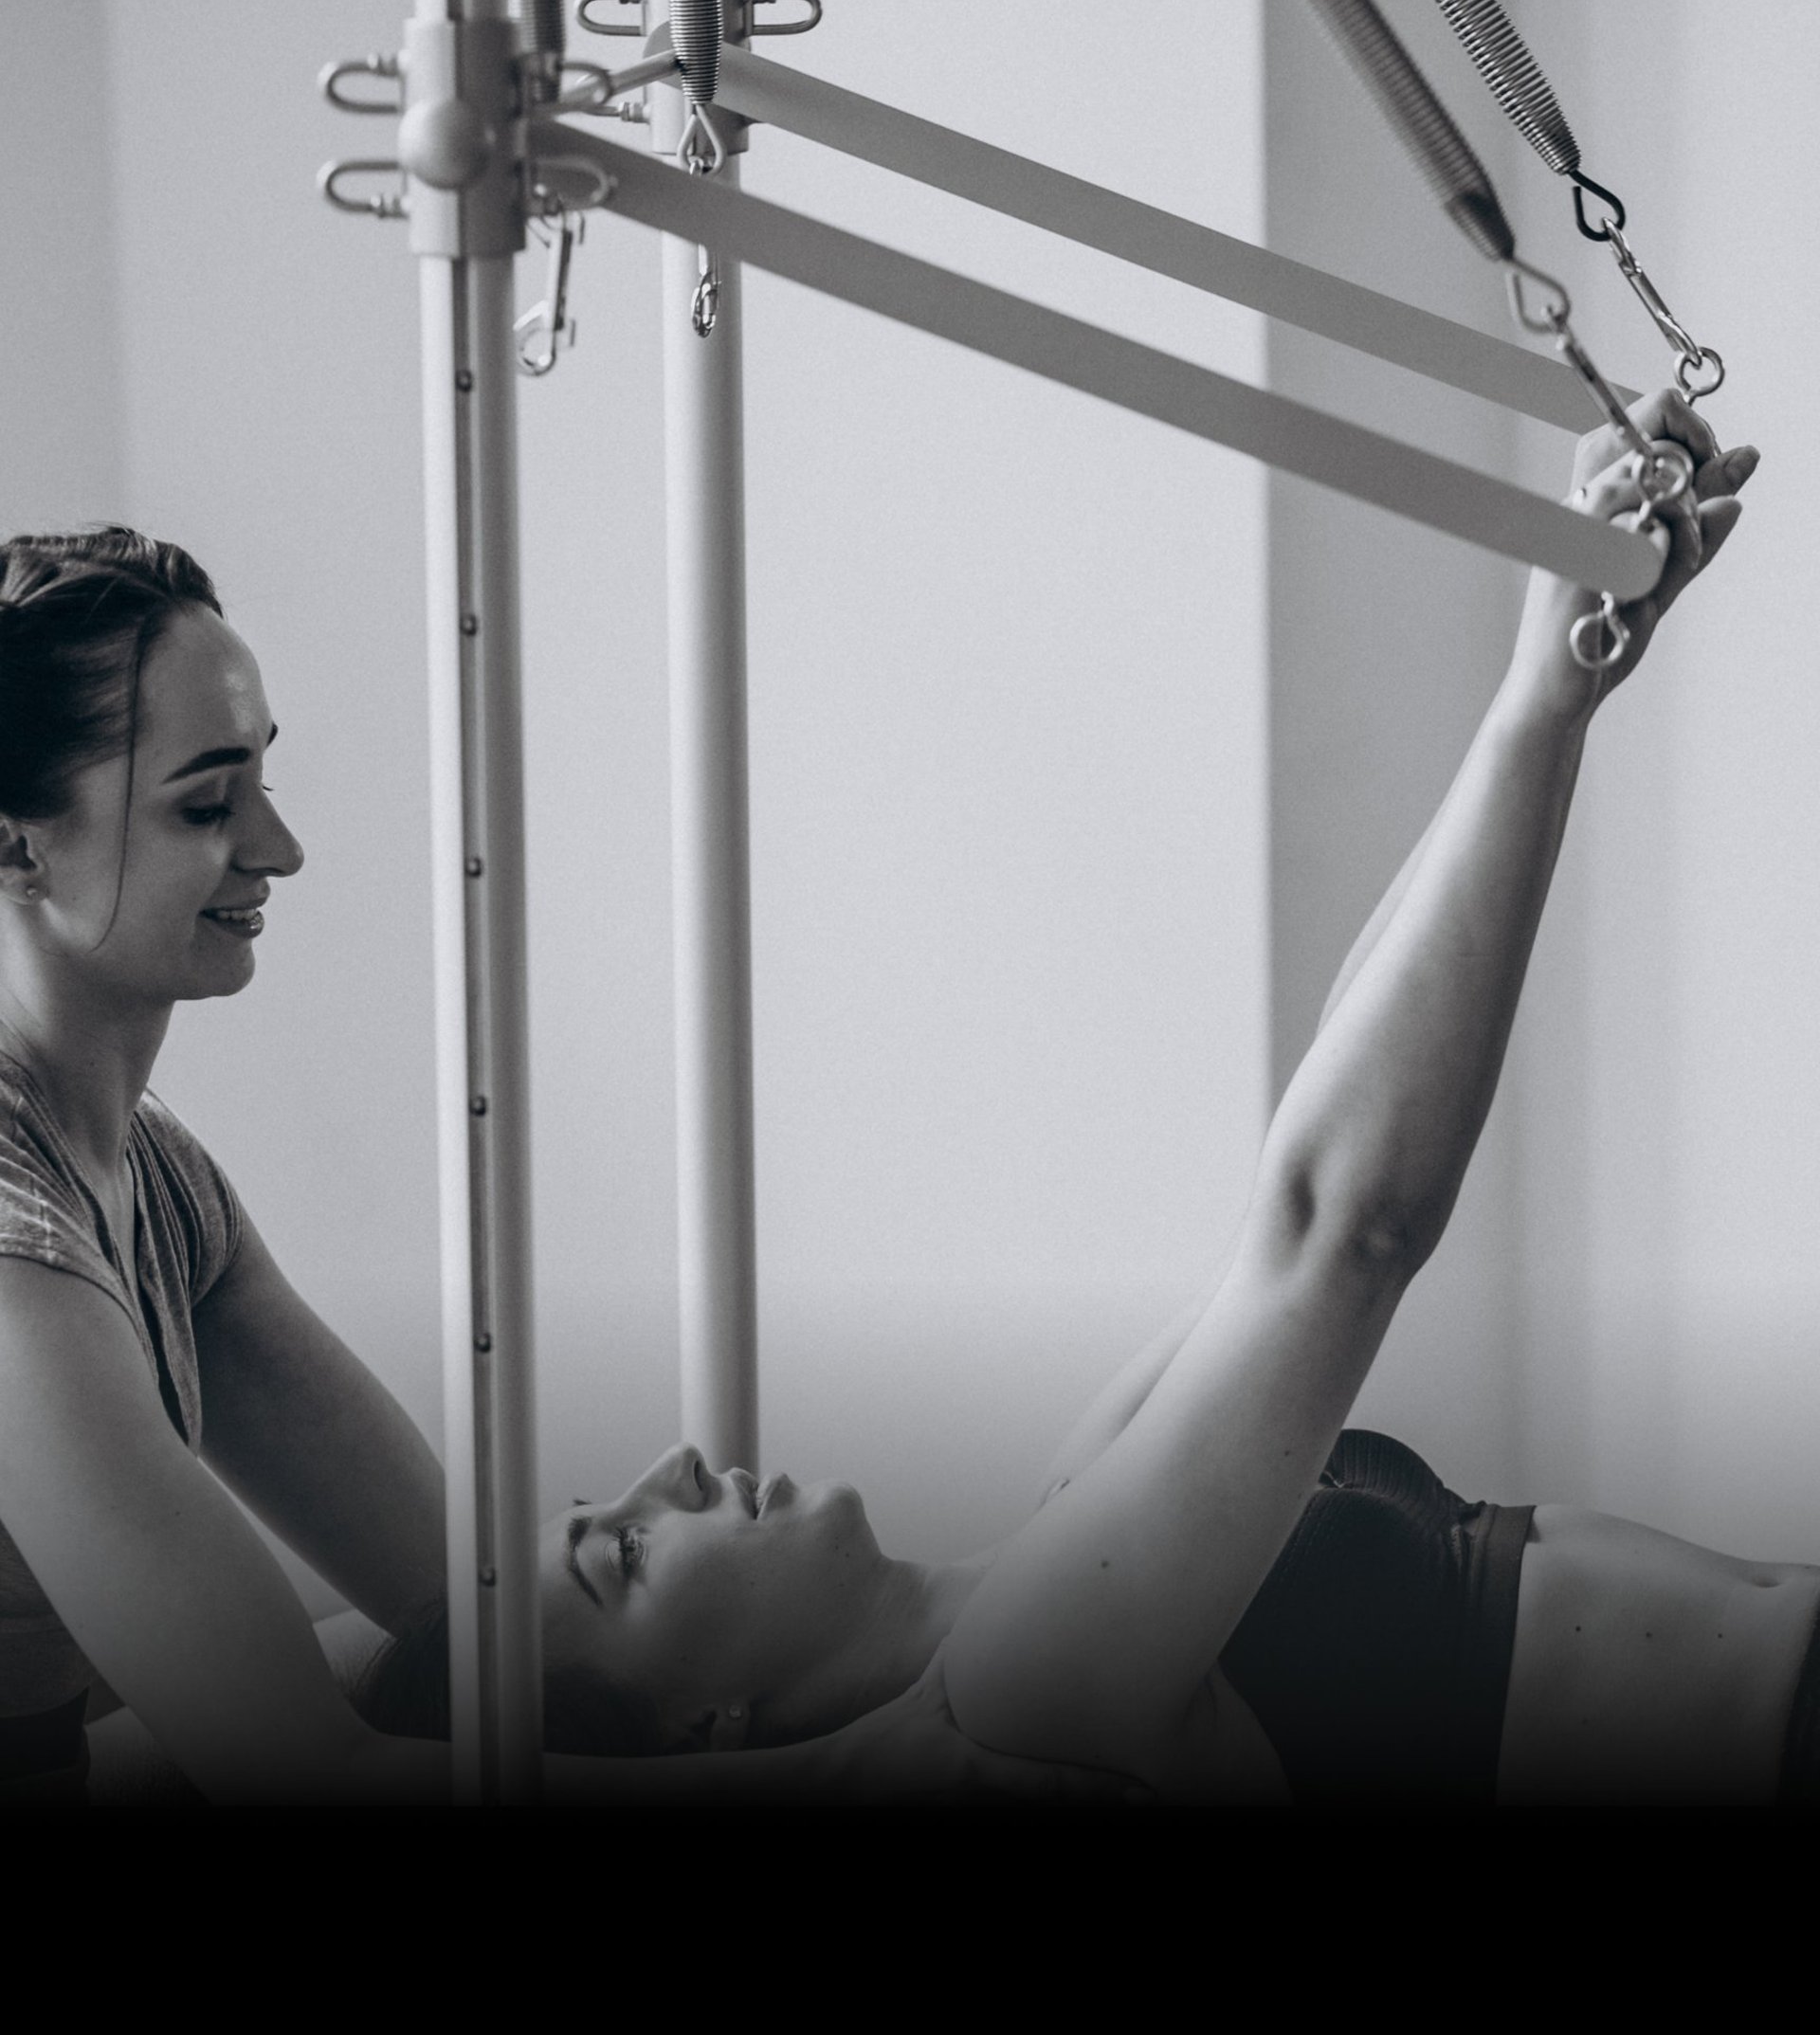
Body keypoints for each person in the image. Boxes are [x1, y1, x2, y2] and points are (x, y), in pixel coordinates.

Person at [351, 390, 1808, 1808]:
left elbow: (1307, 1145)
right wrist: (1547, 685)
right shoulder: (1026, 1709)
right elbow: (1345, 1229)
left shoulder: (1061, 1529)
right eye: (623, 1554)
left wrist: (1569, 659)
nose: (664, 1468)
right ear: (708, 1729)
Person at [0, 528, 1133, 1810]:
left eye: (265, 781)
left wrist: (1005, 1595)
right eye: (207, 805)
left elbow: (469, 1618)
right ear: (22, 848)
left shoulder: (155, 1182)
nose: (278, 848)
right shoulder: (13, 1259)